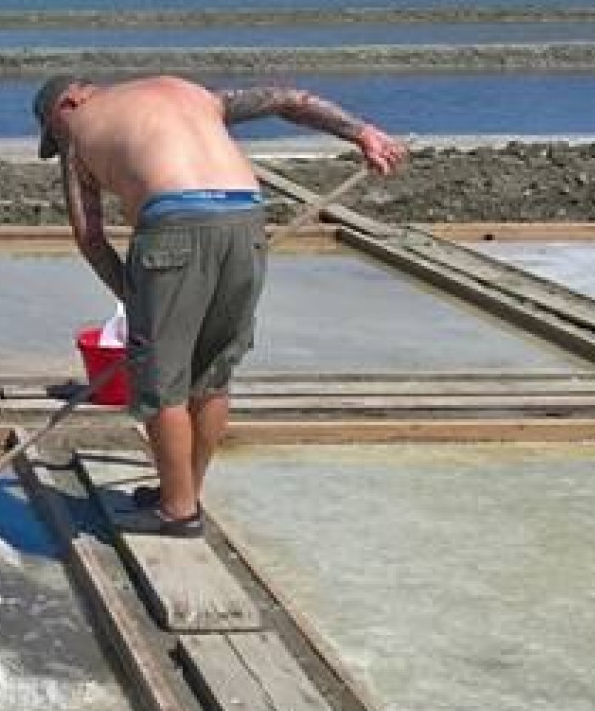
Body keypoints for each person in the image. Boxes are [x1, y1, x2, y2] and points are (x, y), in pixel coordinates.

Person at [32, 74, 409, 536]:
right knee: (210, 373)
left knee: (160, 379)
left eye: (55, 129)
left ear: (69, 101)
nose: (61, 140)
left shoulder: (79, 128)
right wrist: (363, 134)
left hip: (174, 224)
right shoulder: (189, 93)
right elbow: (289, 98)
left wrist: (132, 297)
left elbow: (90, 237)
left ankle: (177, 510)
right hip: (246, 218)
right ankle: (185, 489)